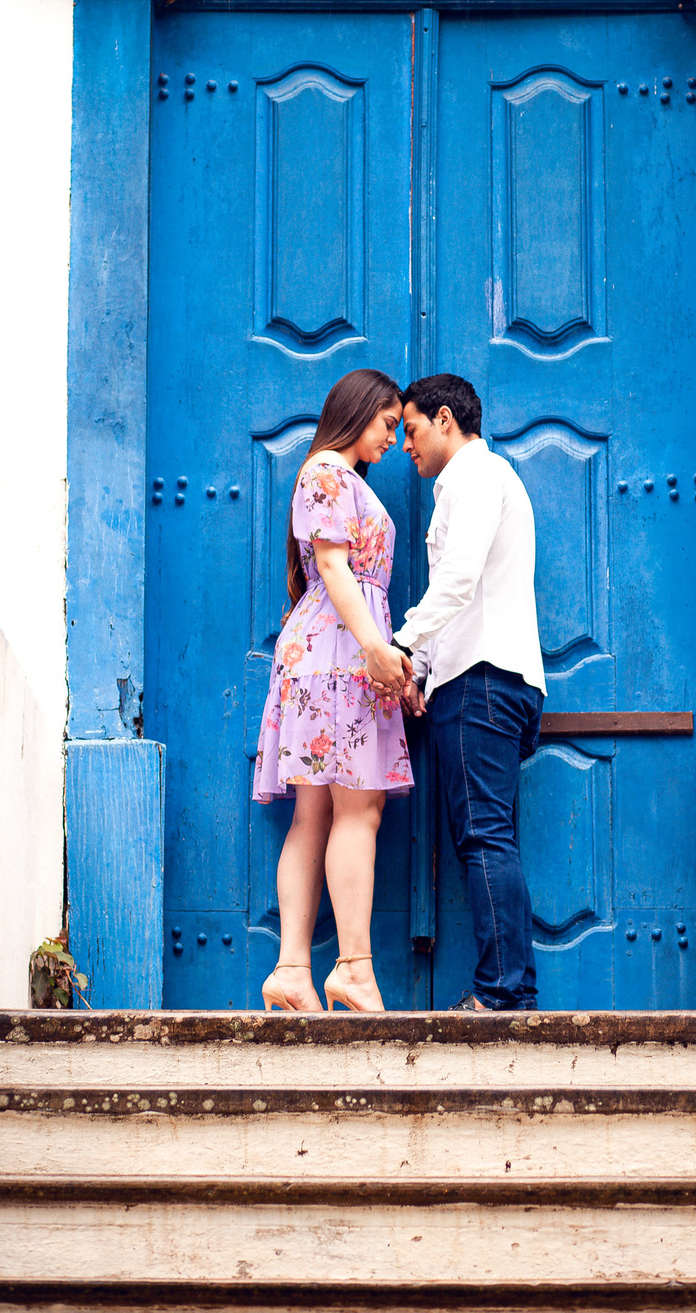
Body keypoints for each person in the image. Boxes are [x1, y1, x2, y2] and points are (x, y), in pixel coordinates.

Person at [253, 368, 414, 1013]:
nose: (393, 439)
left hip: (327, 653)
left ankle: (293, 970)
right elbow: (330, 563)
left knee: (316, 813)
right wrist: (376, 648)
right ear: (359, 410)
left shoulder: (336, 476)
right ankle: (352, 969)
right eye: (387, 424)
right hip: (340, 655)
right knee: (358, 810)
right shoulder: (327, 471)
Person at [392, 374, 545, 1011]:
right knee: (489, 835)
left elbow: (456, 580)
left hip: (483, 681)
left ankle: (503, 994)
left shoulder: (476, 476)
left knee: (484, 836)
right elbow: (459, 594)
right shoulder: (474, 482)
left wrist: (399, 645)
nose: (405, 445)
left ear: (445, 419)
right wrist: (421, 671)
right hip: (484, 679)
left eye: (411, 429)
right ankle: (509, 988)